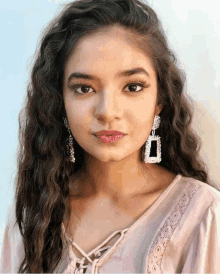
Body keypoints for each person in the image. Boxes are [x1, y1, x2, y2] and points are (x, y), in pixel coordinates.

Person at [1, 0, 220, 273]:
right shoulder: (31, 214)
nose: (107, 112)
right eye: (84, 89)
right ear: (60, 103)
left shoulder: (202, 215)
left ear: (159, 102)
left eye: (132, 86)